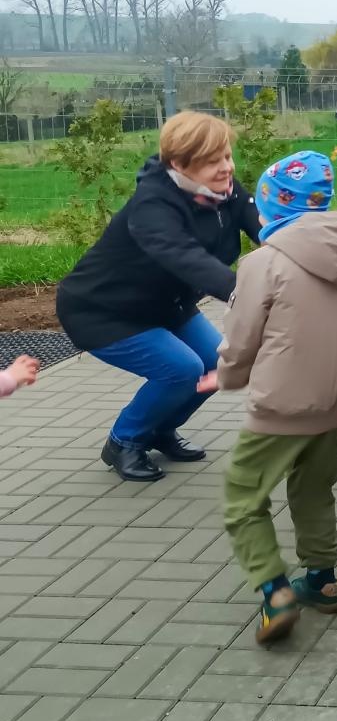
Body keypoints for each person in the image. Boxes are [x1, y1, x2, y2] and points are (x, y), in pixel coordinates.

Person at [201, 151, 337, 644]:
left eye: (261, 207)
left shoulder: (264, 262)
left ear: (275, 207)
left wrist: (227, 375)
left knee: (243, 497)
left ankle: (275, 591)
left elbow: (242, 336)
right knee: (313, 486)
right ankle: (323, 582)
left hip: (283, 403)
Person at [56, 111, 260, 483]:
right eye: (213, 161)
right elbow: (183, 255)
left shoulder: (222, 190)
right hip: (103, 311)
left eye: (227, 156)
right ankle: (123, 441)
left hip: (166, 304)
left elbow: (265, 225)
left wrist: (304, 256)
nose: (226, 167)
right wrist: (244, 294)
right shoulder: (153, 205)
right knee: (181, 370)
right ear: (180, 165)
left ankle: (158, 429)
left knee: (217, 365)